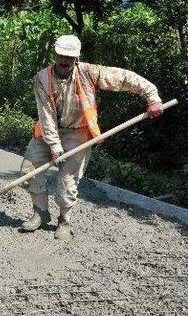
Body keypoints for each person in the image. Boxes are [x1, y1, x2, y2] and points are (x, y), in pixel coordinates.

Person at [20, 35, 164, 240]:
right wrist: (54, 146)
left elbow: (124, 77)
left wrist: (152, 97)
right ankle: (41, 214)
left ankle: (64, 221)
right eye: (61, 55)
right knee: (29, 169)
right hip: (48, 130)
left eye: (69, 58)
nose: (64, 61)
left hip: (78, 133)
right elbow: (46, 115)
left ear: (76, 58)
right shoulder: (43, 78)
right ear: (55, 54)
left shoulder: (89, 73)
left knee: (67, 180)